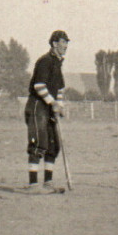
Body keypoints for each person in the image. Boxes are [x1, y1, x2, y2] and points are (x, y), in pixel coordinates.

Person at [25, 29, 69, 193]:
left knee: (53, 145)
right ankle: (33, 185)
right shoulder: (45, 61)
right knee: (39, 143)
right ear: (54, 44)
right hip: (37, 106)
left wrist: (59, 105)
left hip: (49, 108)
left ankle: (48, 183)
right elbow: (39, 86)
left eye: (66, 43)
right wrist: (53, 103)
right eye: (63, 43)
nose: (65, 46)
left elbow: (60, 89)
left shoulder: (57, 63)